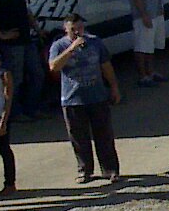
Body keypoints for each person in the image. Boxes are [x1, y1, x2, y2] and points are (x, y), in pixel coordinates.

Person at [48, 10, 123, 182]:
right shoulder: (59, 46)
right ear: (65, 29)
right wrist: (71, 49)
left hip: (97, 96)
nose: (77, 32)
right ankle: (85, 170)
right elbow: (53, 67)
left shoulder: (95, 42)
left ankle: (110, 170)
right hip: (72, 99)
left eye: (80, 28)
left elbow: (106, 65)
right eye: (73, 29)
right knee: (79, 137)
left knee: (104, 135)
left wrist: (114, 87)